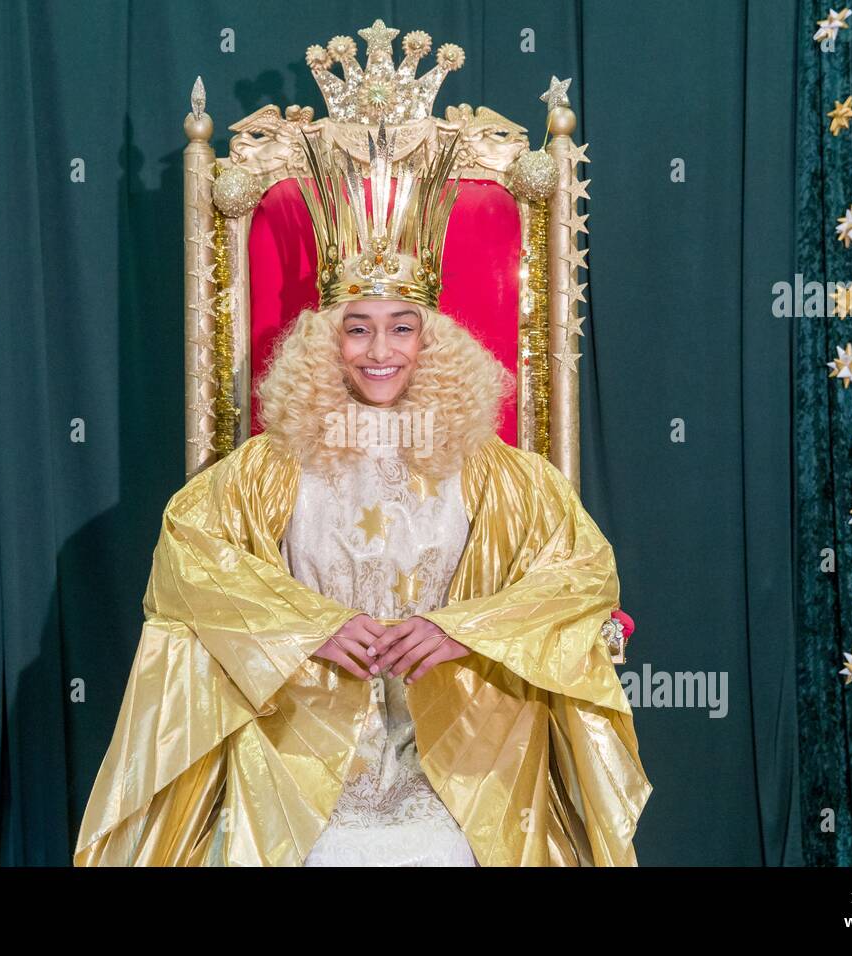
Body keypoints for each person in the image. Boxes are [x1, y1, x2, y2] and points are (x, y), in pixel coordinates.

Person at [73, 121, 651, 866]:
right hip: (298, 736)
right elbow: (188, 563)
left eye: (402, 328)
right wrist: (306, 625)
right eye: (358, 329)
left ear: (430, 339)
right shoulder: (265, 468)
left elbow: (581, 577)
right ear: (325, 339)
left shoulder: (499, 473)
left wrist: (462, 631)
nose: (380, 353)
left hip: (462, 741)